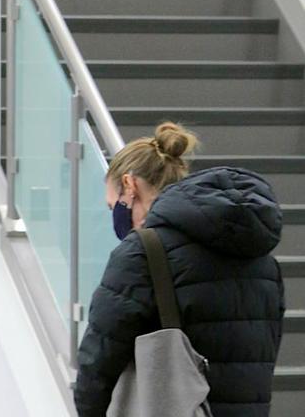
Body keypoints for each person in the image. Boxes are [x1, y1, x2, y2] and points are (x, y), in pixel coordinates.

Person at [74, 122, 284, 416]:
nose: (116, 218)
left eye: (114, 206)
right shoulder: (260, 258)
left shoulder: (143, 253)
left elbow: (99, 358)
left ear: (130, 185)